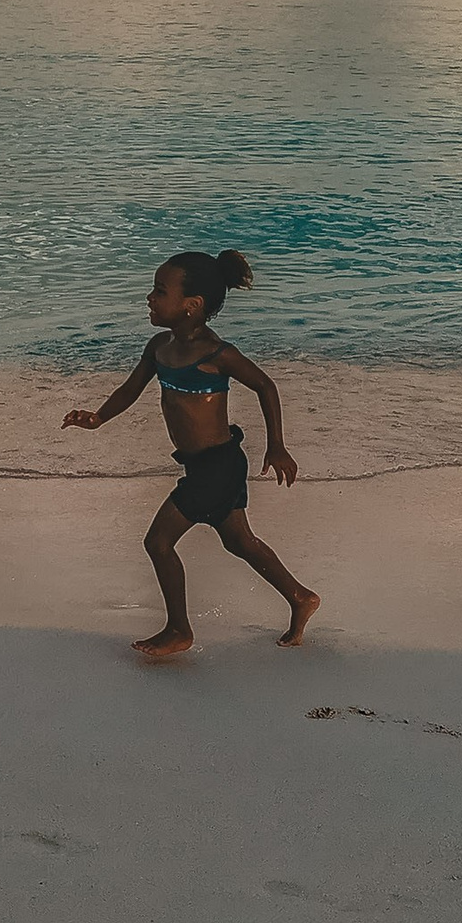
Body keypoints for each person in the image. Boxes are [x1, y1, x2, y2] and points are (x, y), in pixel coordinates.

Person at [63, 250, 319, 656]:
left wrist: (277, 445)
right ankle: (300, 597)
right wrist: (98, 417)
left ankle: (179, 629)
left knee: (158, 542)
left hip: (218, 466)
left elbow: (266, 386)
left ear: (192, 305)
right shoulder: (159, 347)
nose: (149, 297)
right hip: (204, 465)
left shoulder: (217, 353)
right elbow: (130, 390)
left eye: (160, 291)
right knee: (240, 542)